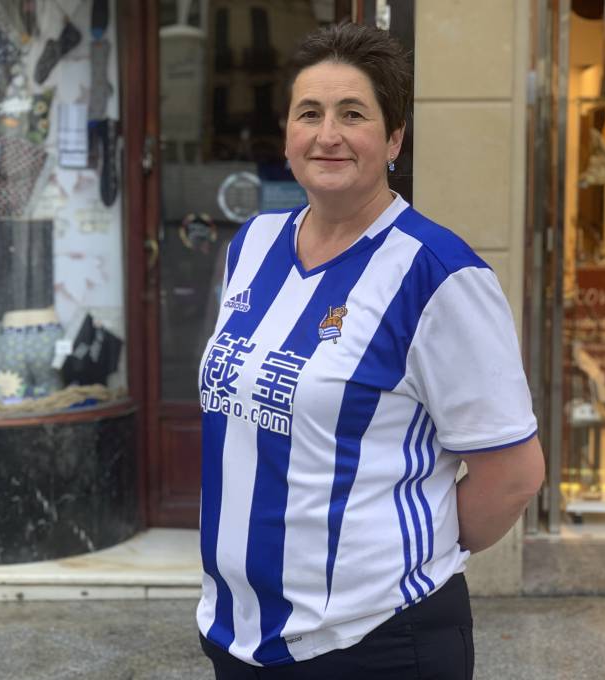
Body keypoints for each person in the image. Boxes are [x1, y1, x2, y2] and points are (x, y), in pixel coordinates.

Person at [196, 22, 545, 679]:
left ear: (393, 139)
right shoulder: (253, 245)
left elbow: (514, 474)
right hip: (238, 637)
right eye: (310, 113)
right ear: (288, 135)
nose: (328, 134)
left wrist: (402, 560)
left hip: (375, 644)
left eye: (352, 114)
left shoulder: (437, 273)